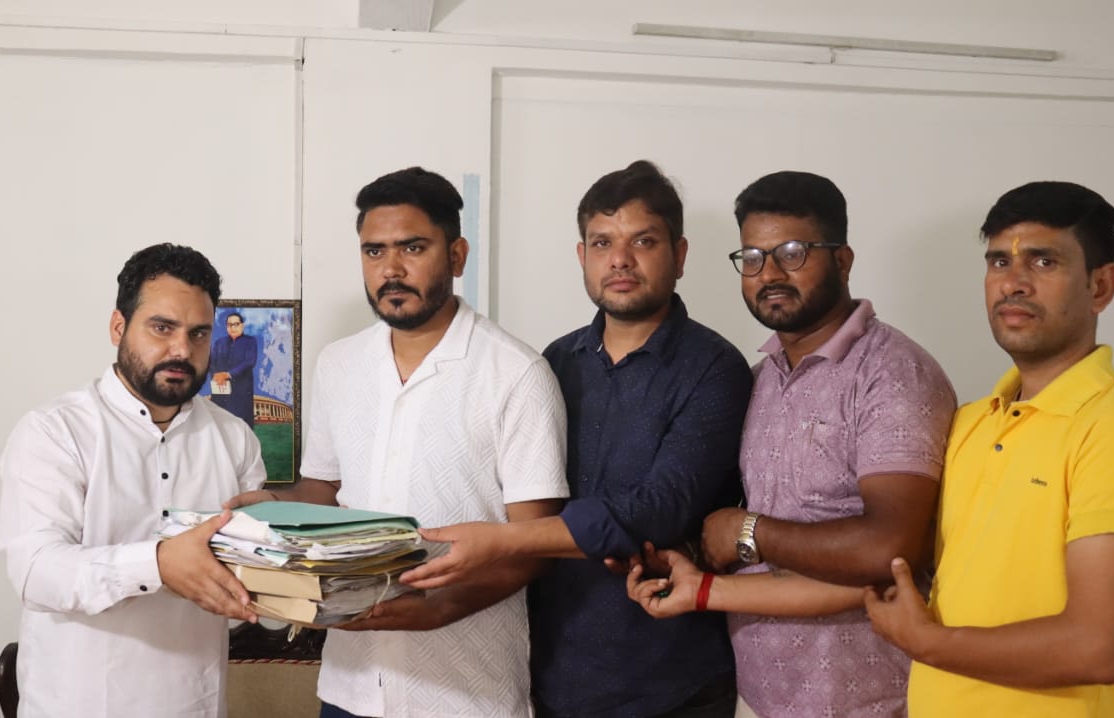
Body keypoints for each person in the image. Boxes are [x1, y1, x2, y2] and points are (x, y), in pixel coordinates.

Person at [402, 160, 753, 718]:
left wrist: (502, 540)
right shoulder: (551, 363)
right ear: (582, 256)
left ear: (680, 255)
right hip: (553, 672)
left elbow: (659, 508)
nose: (620, 259)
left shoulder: (715, 369)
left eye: (643, 241)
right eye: (602, 242)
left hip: (671, 680)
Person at [227, 166, 569, 718]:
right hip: (351, 684)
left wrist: (441, 608)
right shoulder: (339, 364)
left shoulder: (517, 373)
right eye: (374, 251)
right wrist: (271, 506)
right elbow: (324, 491)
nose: (390, 269)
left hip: (466, 693)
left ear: (456, 256)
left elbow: (535, 546)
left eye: (412, 247)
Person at [628, 170, 957, 718]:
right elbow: (749, 531)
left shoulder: (892, 373)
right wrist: (686, 558)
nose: (770, 274)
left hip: (870, 701)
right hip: (760, 697)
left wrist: (748, 533)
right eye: (752, 257)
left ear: (843, 260)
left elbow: (890, 548)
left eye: (792, 253)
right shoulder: (760, 379)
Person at [865, 181, 1114, 717]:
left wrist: (925, 642)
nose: (1013, 283)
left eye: (1044, 261)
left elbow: (1100, 647)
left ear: (1100, 286)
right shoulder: (971, 422)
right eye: (999, 261)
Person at [0, 243, 267, 718]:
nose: (182, 350)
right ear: (118, 327)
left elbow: (252, 576)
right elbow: (36, 571)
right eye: (162, 328)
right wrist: (158, 564)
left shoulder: (235, 438)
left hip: (195, 705)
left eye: (198, 333)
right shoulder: (56, 431)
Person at [209, 311, 258, 427]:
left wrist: (228, 374)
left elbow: (249, 362)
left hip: (241, 391)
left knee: (241, 426)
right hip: (220, 389)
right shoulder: (219, 342)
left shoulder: (250, 341)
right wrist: (216, 375)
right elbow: (211, 361)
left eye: (236, 324)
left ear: (242, 325)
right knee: (219, 425)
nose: (232, 328)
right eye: (229, 325)